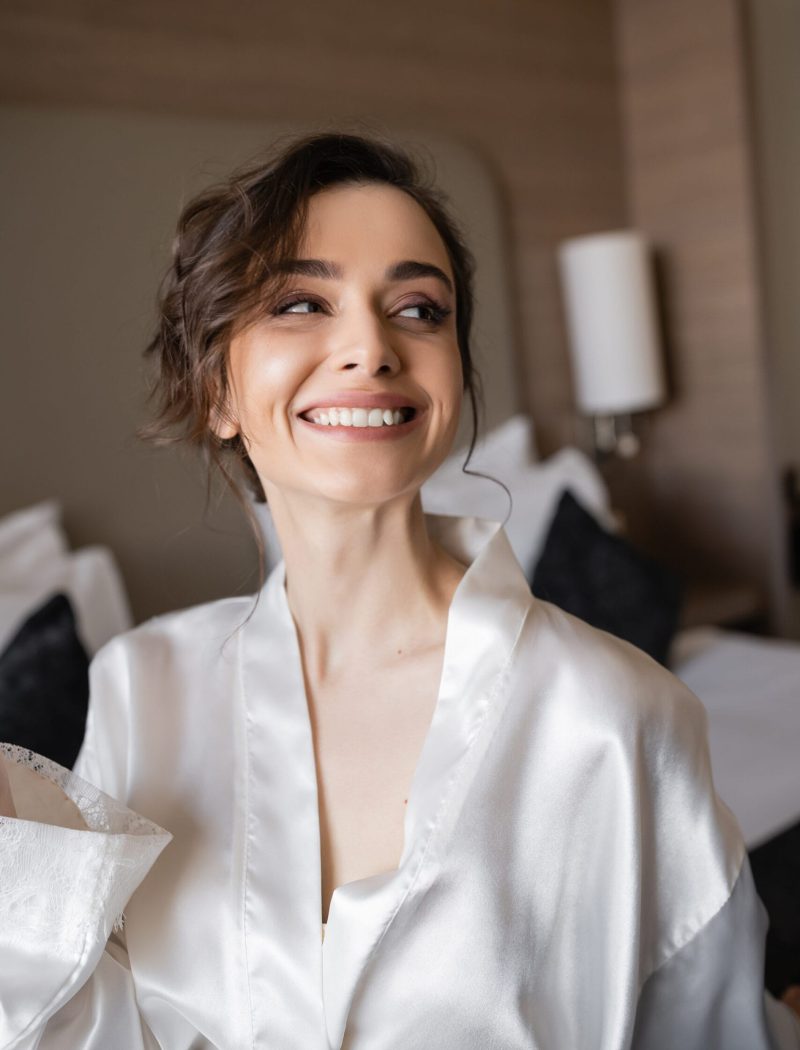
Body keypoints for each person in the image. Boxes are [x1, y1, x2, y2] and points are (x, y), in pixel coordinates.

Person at [1, 131, 798, 1049]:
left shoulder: (618, 717)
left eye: (419, 309)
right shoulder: (141, 688)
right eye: (302, 301)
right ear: (215, 386)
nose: (371, 347)